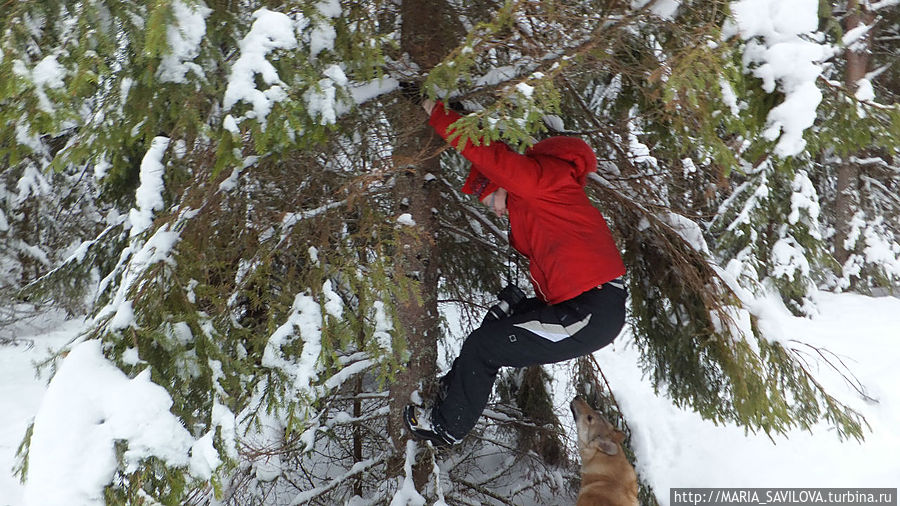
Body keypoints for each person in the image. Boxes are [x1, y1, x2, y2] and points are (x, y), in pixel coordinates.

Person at [404, 99, 627, 446]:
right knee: (495, 328)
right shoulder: (548, 196)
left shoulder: (538, 183)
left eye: (490, 200)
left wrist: (439, 112)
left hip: (592, 310)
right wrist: (522, 305)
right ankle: (449, 391)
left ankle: (446, 428)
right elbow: (563, 265)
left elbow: (490, 155)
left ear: (503, 182)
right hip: (582, 303)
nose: (494, 211)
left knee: (485, 347)